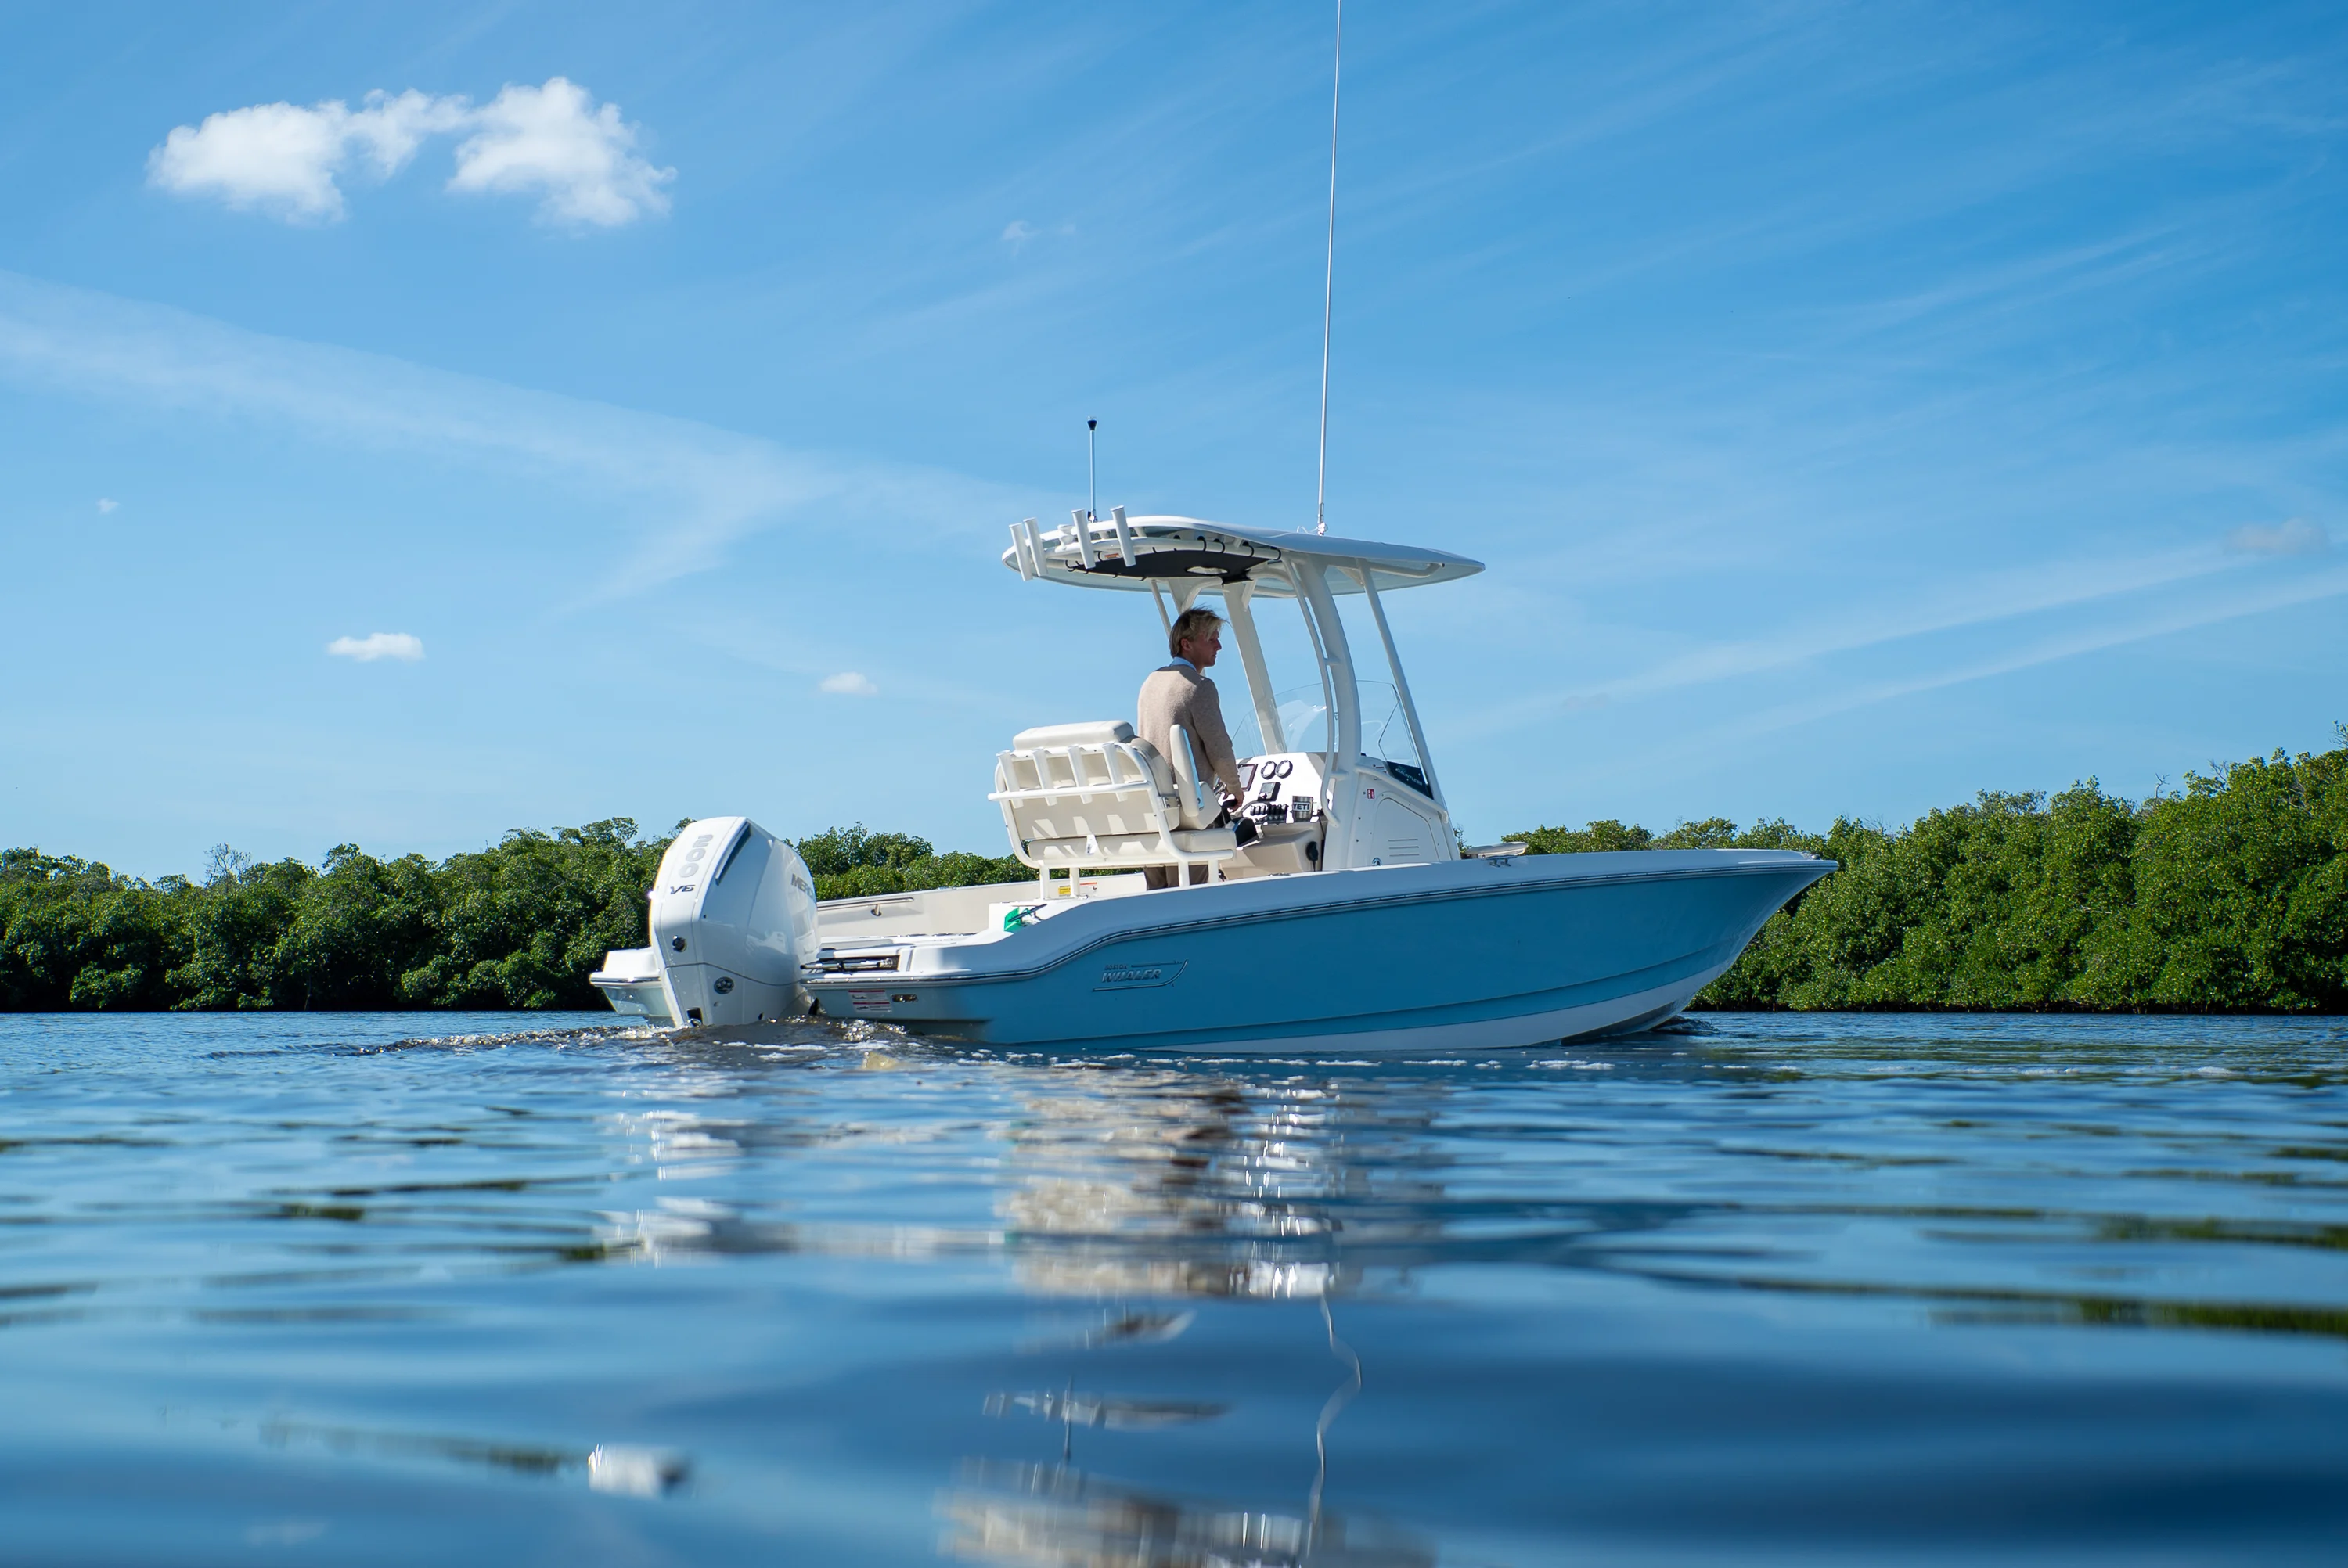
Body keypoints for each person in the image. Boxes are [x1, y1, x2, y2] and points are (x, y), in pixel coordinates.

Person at [1137, 606, 1248, 887]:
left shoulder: (1150, 682)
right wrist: (1235, 789)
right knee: (1193, 897)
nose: (1219, 646)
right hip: (1191, 812)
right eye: (1210, 638)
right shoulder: (1199, 686)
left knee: (1158, 899)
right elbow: (1219, 748)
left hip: (1155, 810)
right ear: (1186, 644)